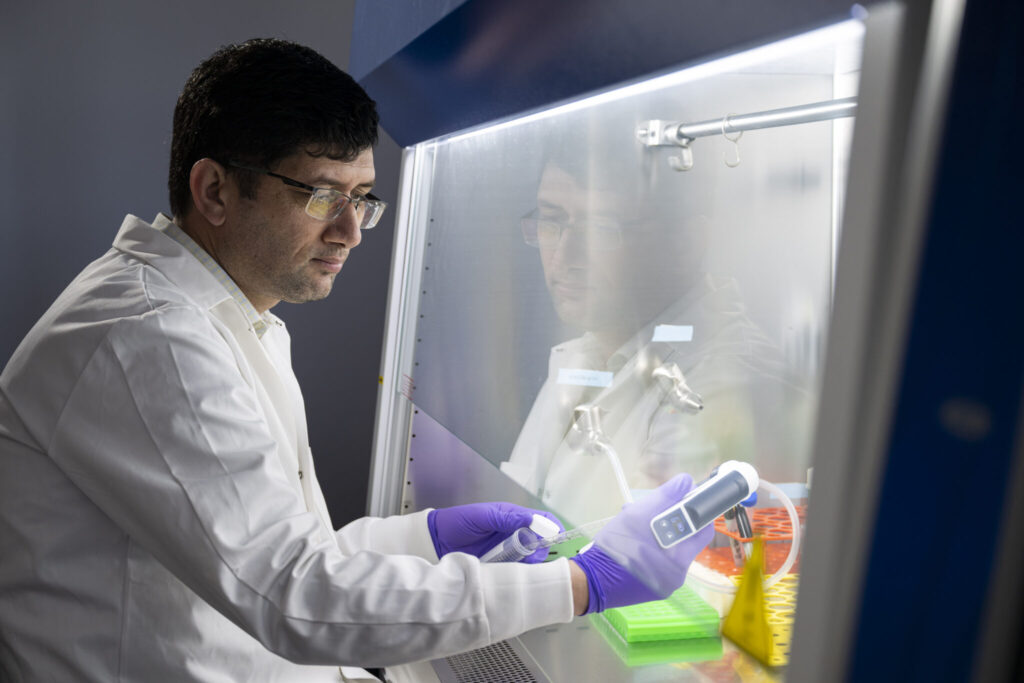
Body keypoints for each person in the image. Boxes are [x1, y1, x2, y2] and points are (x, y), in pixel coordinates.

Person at [0, 39, 712, 682]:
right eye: (319, 196)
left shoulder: (225, 316)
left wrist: (425, 539)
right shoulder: (149, 338)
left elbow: (270, 548)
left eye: (363, 199)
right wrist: (583, 584)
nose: (350, 231)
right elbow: (295, 593)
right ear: (214, 189)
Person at [501, 138, 812, 527]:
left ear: (685, 243)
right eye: (551, 221)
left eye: (602, 227)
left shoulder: (729, 383)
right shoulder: (588, 354)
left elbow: (655, 570)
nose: (564, 256)